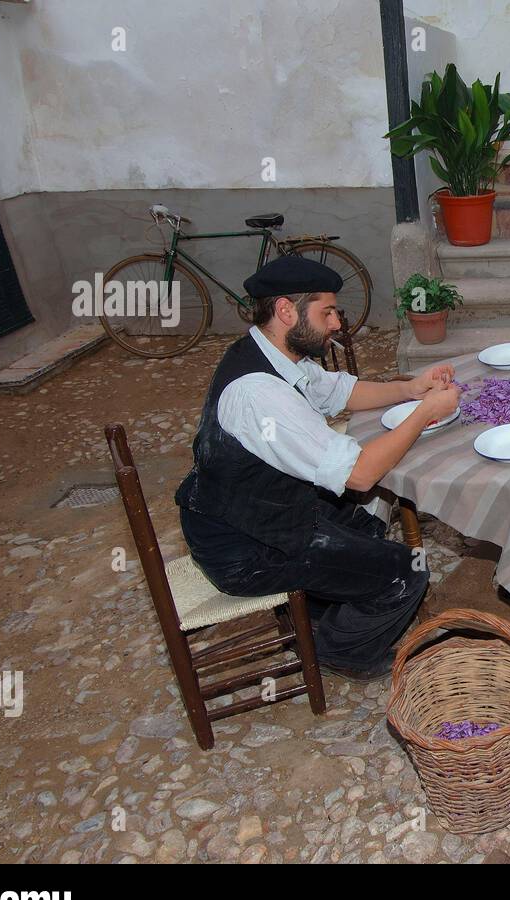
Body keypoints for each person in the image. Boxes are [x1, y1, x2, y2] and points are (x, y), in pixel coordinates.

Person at [175, 255, 461, 680]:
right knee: (405, 570)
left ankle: (320, 611)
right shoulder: (258, 393)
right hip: (246, 549)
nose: (335, 324)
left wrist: (409, 390)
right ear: (286, 310)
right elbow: (360, 473)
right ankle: (339, 651)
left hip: (260, 511)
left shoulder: (272, 352)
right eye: (326, 312)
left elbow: (341, 392)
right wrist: (424, 414)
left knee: (364, 523)